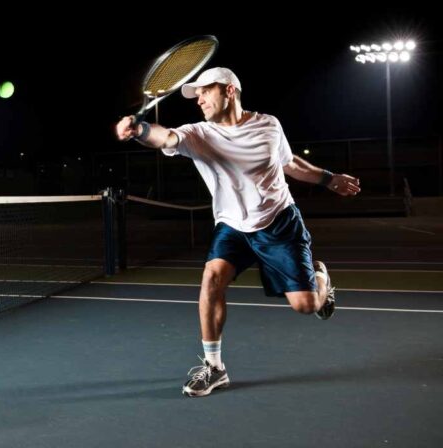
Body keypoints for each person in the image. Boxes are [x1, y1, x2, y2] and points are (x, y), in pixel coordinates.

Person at [115, 67, 361, 397]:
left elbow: (290, 164)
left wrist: (329, 179)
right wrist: (141, 130)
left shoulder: (269, 125)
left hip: (279, 222)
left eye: (205, 91)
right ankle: (215, 368)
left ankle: (320, 279)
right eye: (197, 94)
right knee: (211, 278)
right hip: (232, 226)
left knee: (305, 305)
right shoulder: (198, 134)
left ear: (229, 91)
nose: (199, 99)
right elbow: (167, 137)